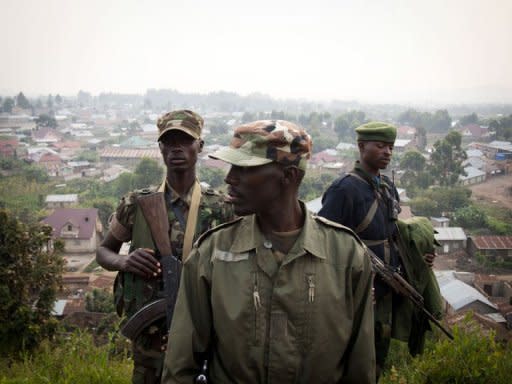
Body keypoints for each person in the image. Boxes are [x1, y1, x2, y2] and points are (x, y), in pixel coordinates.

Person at [162, 120, 375, 384]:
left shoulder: (346, 256)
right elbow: (180, 368)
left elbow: (361, 367)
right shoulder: (213, 254)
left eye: (244, 168)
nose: (230, 178)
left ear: (288, 176)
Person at [96, 110, 233, 384]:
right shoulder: (136, 204)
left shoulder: (221, 209)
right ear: (160, 148)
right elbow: (103, 252)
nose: (176, 148)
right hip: (150, 341)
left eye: (185, 140)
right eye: (168, 142)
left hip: (203, 334)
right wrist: (125, 262)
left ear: (200, 146)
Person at [318, 121, 438, 379]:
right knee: (350, 362)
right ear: (362, 147)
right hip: (355, 297)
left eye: (391, 148)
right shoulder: (344, 189)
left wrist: (419, 257)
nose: (387, 152)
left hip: (385, 292)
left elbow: (394, 235)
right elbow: (324, 243)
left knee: (376, 358)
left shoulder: (386, 187)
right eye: (380, 146)